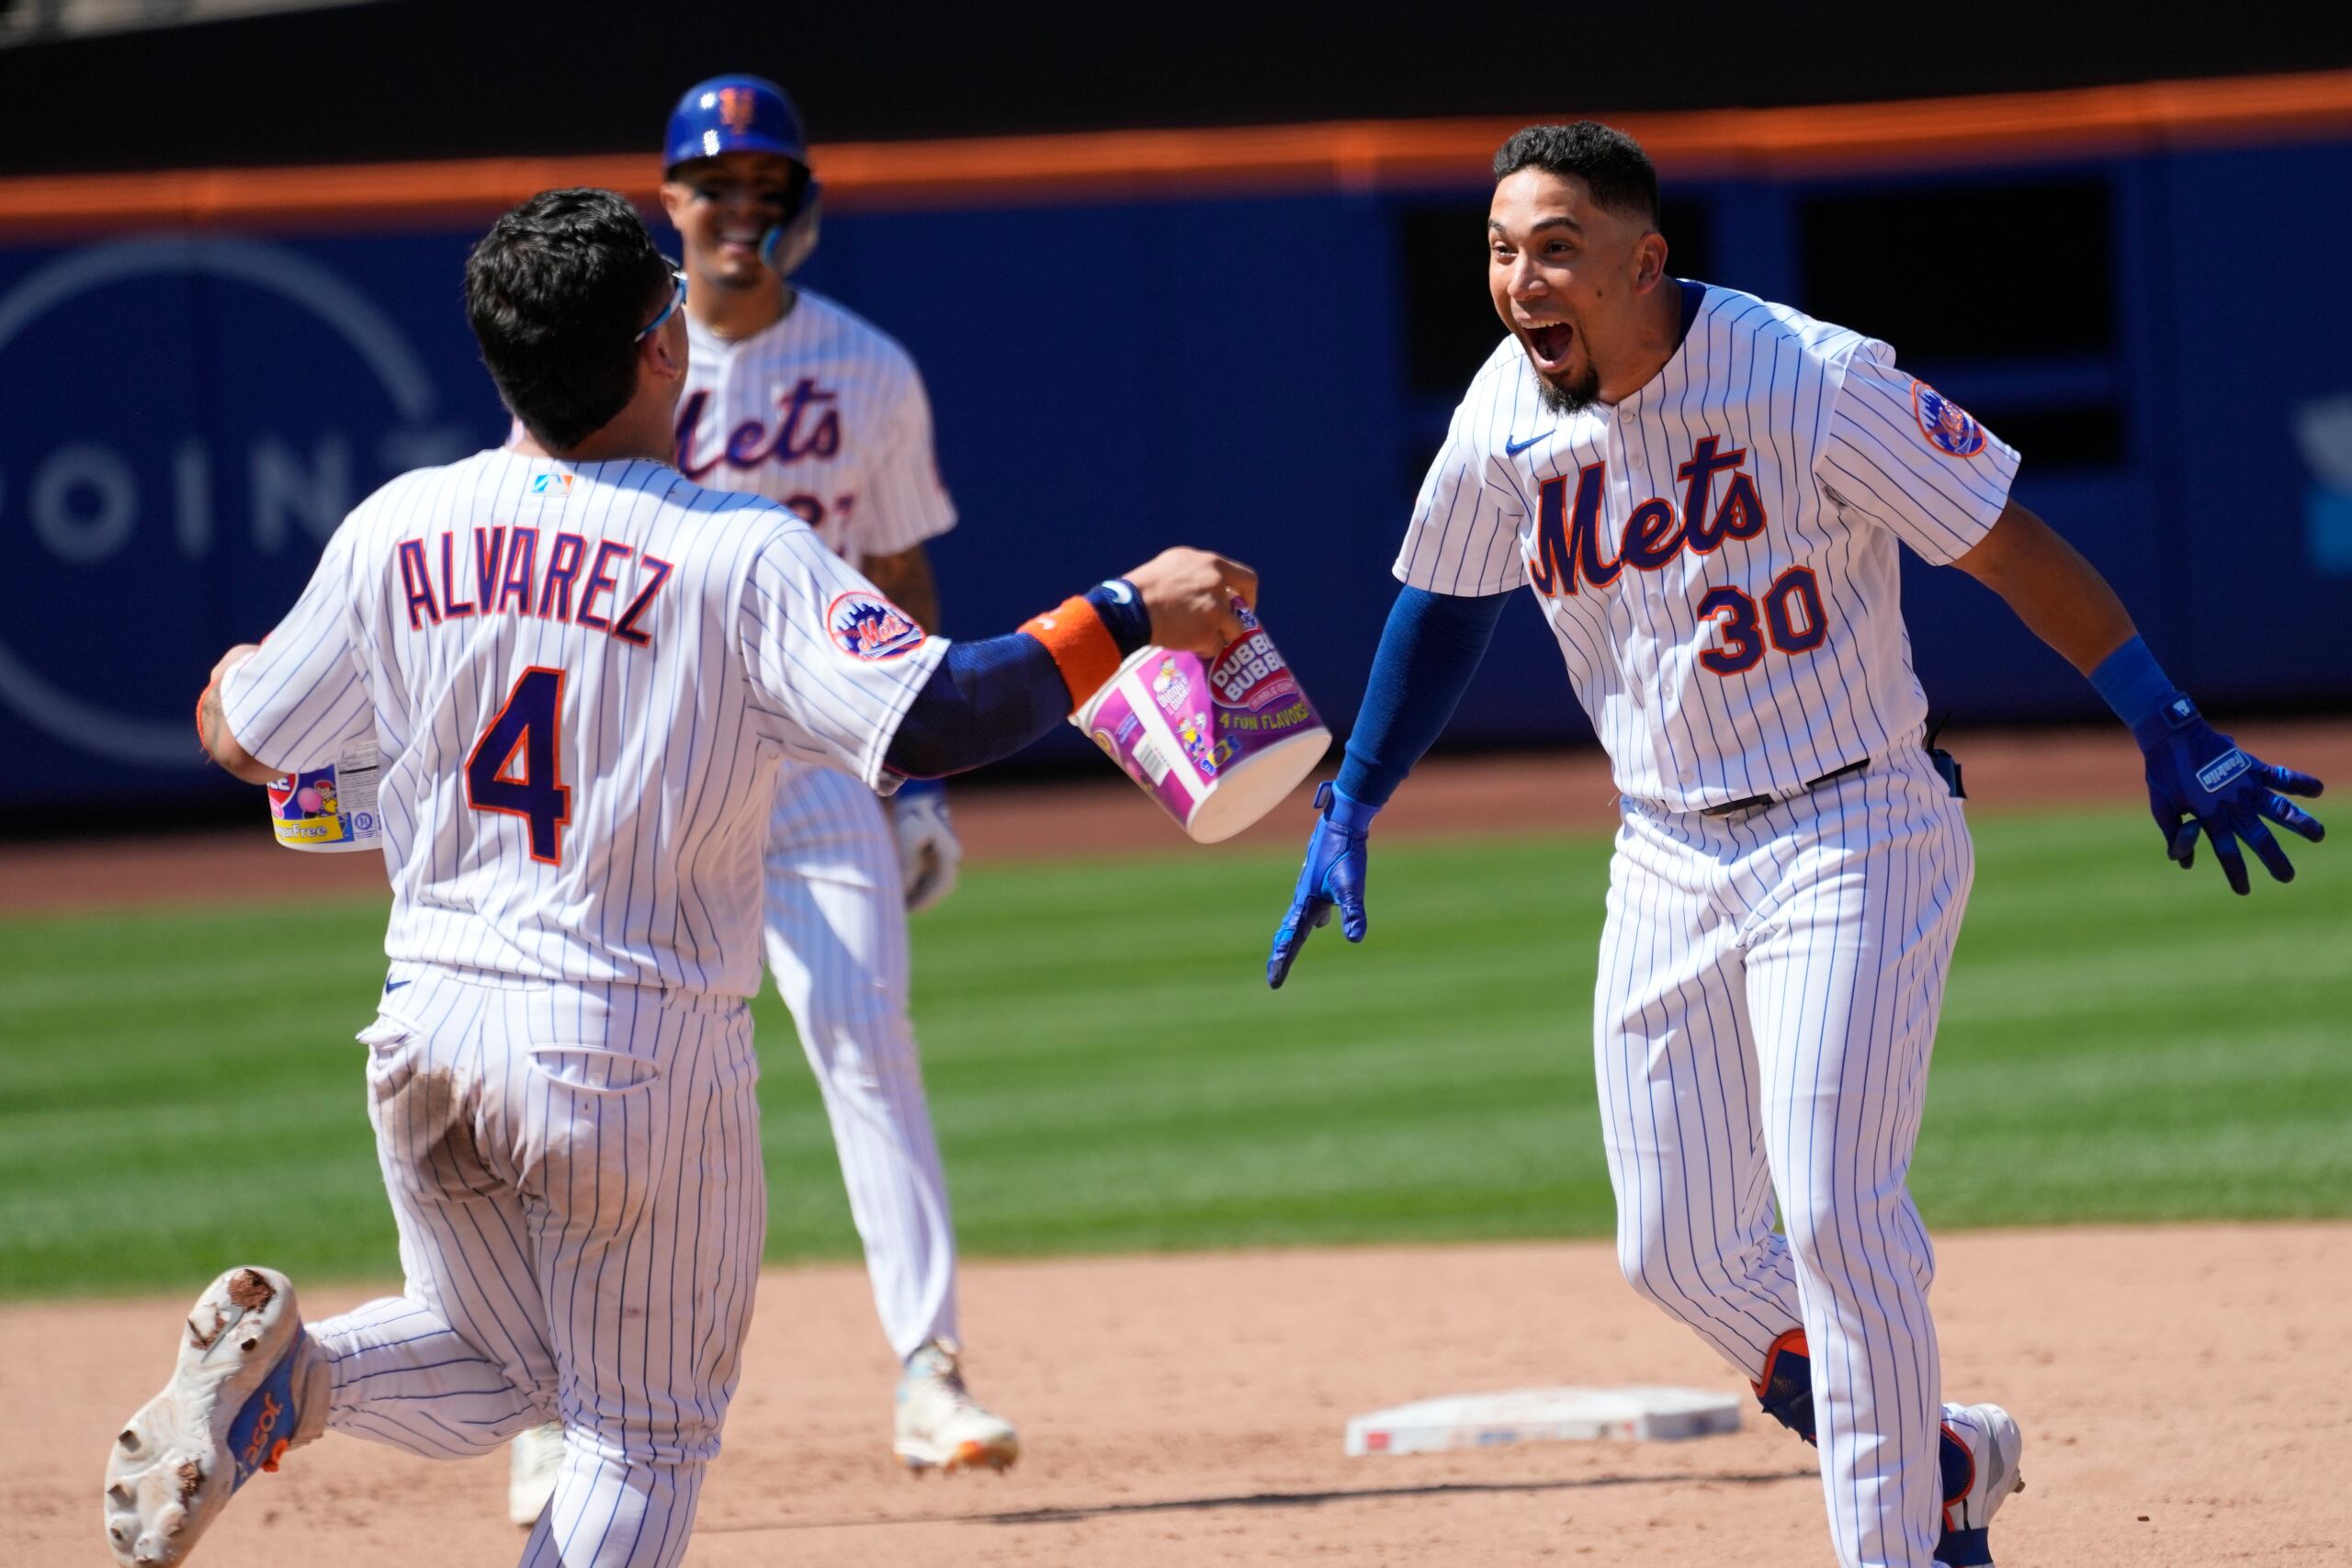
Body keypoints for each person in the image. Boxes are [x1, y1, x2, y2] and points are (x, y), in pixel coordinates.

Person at [104, 185, 1252, 1568]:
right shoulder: (737, 551)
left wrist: (229, 696)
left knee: (502, 1358)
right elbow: (939, 716)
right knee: (641, 1441)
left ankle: (295, 1386)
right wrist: (1123, 614)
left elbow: (250, 741)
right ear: (664, 349)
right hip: (627, 1051)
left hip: (424, 1033)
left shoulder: (398, 526)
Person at [1264, 121, 2324, 1568]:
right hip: (1661, 857)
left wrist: (2163, 716)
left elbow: (2002, 536)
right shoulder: (1507, 402)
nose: (1521, 281)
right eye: (1504, 250)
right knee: (1677, 1252)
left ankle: (1901, 1546)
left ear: (1646, 262)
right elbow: (1443, 603)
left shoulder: (1809, 376)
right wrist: (1354, 796)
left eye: (1556, 248)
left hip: (1854, 824)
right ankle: (1942, 1460)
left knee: (1834, 1216)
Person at [503, 68, 1016, 1526]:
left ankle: (931, 1369)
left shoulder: (866, 369)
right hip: (646, 766)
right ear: (668, 201)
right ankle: (550, 1407)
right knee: (585, 1063)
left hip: (813, 760)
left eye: (765, 190)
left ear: (794, 210)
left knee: (866, 1033)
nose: (740, 210)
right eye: (714, 188)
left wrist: (915, 785)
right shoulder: (609, 359)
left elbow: (903, 582)